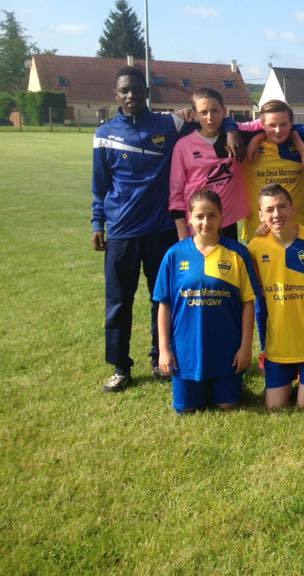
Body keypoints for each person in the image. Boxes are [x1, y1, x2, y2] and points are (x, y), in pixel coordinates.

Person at [93, 65, 242, 392]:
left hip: (161, 229)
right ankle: (120, 367)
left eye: (136, 89)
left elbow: (211, 119)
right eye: (124, 91)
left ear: (147, 92)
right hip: (121, 229)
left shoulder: (169, 124)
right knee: (118, 301)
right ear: (116, 95)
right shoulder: (104, 133)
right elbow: (100, 183)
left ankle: (158, 357)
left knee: (162, 297)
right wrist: (96, 222)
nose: (131, 95)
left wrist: (231, 126)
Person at [154, 190, 258, 413]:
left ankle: (221, 385)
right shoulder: (175, 254)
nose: (206, 222)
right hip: (186, 350)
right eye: (199, 216)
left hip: (226, 348)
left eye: (212, 215)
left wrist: (245, 348)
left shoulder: (237, 253)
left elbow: (248, 303)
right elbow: (164, 304)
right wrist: (164, 349)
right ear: (189, 218)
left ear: (222, 217)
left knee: (227, 405)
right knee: (186, 408)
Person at [247, 184, 304, 410]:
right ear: (260, 215)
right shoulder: (255, 247)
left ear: (293, 208)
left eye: (282, 207)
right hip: (279, 346)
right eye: (269, 210)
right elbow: (259, 298)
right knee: (275, 406)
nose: (277, 214)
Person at [169, 88, 248, 240]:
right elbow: (176, 194)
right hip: (197, 225)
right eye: (203, 112)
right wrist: (182, 232)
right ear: (194, 114)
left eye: (214, 111)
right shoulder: (183, 146)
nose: (210, 117)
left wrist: (234, 131)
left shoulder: (236, 139)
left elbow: (267, 124)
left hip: (226, 222)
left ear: (224, 111)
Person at [238, 100, 304, 240]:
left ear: (291, 124)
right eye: (271, 125)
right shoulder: (245, 144)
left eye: (283, 124)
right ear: (261, 124)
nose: (278, 130)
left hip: (299, 232)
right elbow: (222, 126)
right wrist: (257, 138)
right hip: (259, 233)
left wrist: (300, 144)